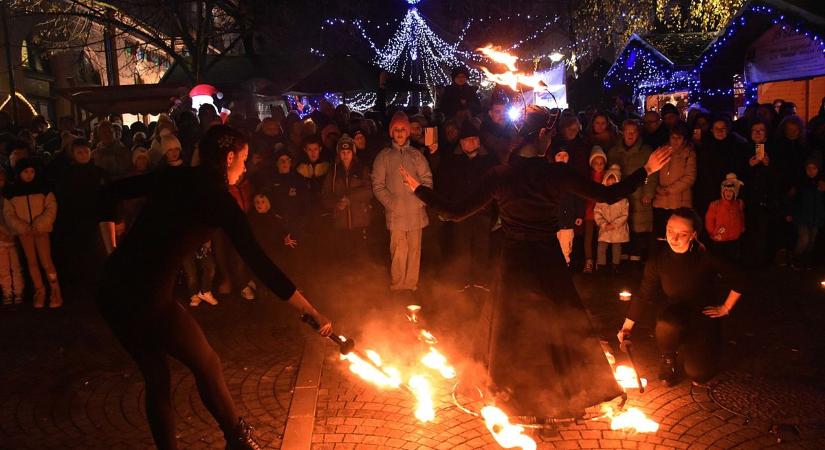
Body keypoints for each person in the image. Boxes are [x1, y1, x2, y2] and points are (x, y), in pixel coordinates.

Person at [400, 105, 672, 418]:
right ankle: (561, 390)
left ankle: (512, 393)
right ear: (543, 137)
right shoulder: (556, 173)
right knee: (555, 324)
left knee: (511, 328)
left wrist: (419, 189)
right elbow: (608, 195)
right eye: (549, 134)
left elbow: (454, 211)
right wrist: (646, 170)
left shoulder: (502, 175)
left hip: (515, 262)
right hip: (546, 262)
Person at [96, 125, 332, 450]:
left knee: (159, 376)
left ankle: (228, 440)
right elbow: (260, 264)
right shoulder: (219, 200)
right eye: (244, 160)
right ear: (230, 157)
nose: (245, 168)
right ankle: (238, 440)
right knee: (204, 363)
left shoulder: (174, 177)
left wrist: (112, 251)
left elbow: (108, 192)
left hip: (114, 287)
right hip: (144, 296)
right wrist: (311, 311)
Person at [617, 208, 744, 386]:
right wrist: (626, 327)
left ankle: (703, 346)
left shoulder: (706, 256)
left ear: (693, 235)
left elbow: (740, 279)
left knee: (699, 375)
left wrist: (725, 308)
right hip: (675, 313)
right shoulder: (659, 258)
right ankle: (669, 357)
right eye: (670, 231)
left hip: (703, 315)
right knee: (666, 323)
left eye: (682, 234)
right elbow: (644, 292)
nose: (673, 238)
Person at [372, 112, 433, 293]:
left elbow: (427, 180)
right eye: (396, 129)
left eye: (403, 130)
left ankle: (411, 284)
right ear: (391, 132)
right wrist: (391, 203)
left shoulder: (416, 156)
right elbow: (378, 186)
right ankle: (398, 284)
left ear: (408, 133)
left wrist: (421, 200)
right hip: (396, 215)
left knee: (414, 251)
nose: (399, 133)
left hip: (415, 213)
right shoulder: (384, 157)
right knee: (399, 251)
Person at [3, 158, 61, 308]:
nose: (29, 175)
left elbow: (51, 208)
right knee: (32, 262)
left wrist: (39, 224)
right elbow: (9, 213)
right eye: (25, 172)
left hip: (40, 230)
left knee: (46, 261)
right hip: (25, 232)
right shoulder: (11, 192)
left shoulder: (43, 188)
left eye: (32, 171)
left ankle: (55, 290)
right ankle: (39, 290)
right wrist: (23, 227)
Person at [608, 119, 657, 262]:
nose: (630, 135)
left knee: (638, 225)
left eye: (633, 132)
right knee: (622, 222)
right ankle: (623, 253)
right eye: (628, 131)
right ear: (623, 132)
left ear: (638, 133)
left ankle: (636, 254)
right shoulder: (614, 151)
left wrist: (648, 192)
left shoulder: (646, 151)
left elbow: (653, 173)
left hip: (639, 193)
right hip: (621, 194)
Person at [321, 135, 373, 262]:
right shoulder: (333, 172)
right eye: (343, 152)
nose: (345, 155)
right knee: (344, 258)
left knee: (361, 258)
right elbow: (325, 195)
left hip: (360, 221)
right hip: (340, 223)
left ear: (353, 153)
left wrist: (349, 198)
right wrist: (336, 203)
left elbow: (368, 191)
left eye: (348, 152)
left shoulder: (362, 169)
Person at [652, 123, 697, 238]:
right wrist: (657, 188)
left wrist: (669, 190)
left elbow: (689, 177)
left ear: (684, 139)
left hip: (680, 201)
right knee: (661, 235)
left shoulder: (689, 153)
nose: (675, 141)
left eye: (679, 138)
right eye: (673, 137)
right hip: (661, 201)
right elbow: (653, 172)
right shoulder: (662, 151)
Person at [788, 159, 825, 269]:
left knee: (812, 240)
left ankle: (805, 261)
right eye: (808, 168)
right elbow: (793, 199)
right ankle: (795, 259)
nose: (811, 171)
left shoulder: (821, 183)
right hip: (802, 216)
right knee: (804, 238)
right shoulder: (800, 183)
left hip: (816, 217)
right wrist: (790, 213)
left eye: (814, 168)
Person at [593, 164, 629, 274]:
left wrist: (614, 224)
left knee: (617, 247)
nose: (611, 185)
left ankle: (615, 265)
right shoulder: (601, 198)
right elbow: (597, 212)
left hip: (617, 229)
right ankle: (601, 265)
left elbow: (624, 215)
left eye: (614, 183)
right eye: (609, 182)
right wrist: (604, 224)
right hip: (605, 228)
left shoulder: (623, 200)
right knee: (602, 247)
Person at [552, 149, 584, 266]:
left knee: (566, 243)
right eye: (559, 154)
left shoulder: (573, 174)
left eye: (565, 155)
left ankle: (565, 263)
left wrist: (580, 214)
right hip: (553, 218)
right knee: (553, 242)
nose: (562, 157)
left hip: (568, 217)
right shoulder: (549, 175)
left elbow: (579, 195)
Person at [705, 174, 745, 261]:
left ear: (735, 192)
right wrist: (712, 231)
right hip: (719, 238)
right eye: (726, 190)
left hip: (734, 239)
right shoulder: (715, 205)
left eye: (731, 191)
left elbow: (741, 215)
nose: (728, 193)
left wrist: (741, 227)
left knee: (733, 259)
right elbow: (709, 219)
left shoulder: (738, 204)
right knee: (719, 259)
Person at [0, 171, 23, 307]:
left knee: (15, 266)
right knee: (3, 268)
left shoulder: (10, 196)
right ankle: (7, 292)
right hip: (2, 238)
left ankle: (18, 291)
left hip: (12, 235)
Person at [583, 146, 607, 273]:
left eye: (601, 163)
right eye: (596, 163)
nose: (599, 165)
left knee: (600, 237)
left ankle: (600, 260)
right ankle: (588, 260)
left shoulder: (608, 176)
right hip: (589, 212)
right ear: (591, 163)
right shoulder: (587, 177)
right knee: (588, 238)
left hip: (602, 213)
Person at [183, 240, 218, 307]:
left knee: (210, 265)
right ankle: (194, 295)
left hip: (202, 241)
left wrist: (207, 240)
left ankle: (205, 291)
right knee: (190, 272)